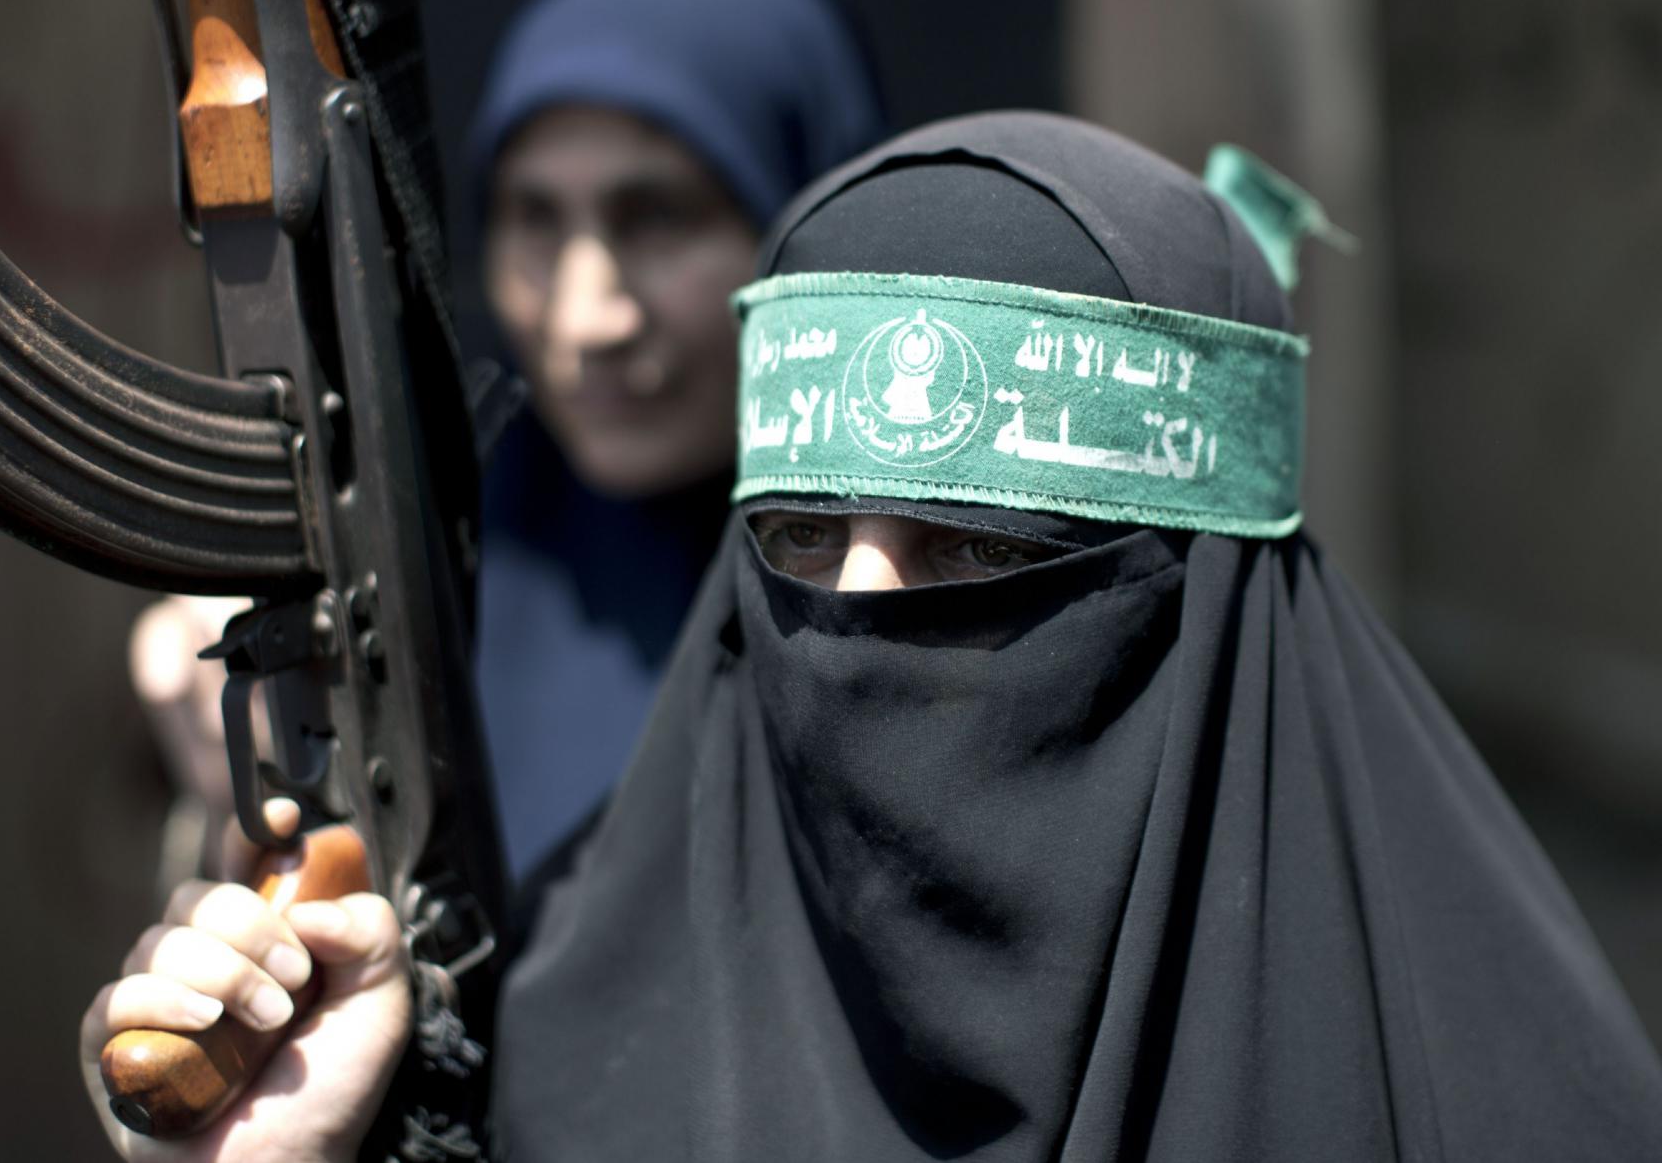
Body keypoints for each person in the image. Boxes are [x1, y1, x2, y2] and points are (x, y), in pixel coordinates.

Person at [84, 111, 1662, 1160]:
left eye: (978, 548)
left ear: (1206, 587)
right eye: (797, 540)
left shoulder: (1498, 1107)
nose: (861, 613)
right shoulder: (560, 1053)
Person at [127, 0, 885, 892]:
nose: (585, 317)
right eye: (534, 218)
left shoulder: (930, 591)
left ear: (811, 226)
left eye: (656, 216)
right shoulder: (441, 539)